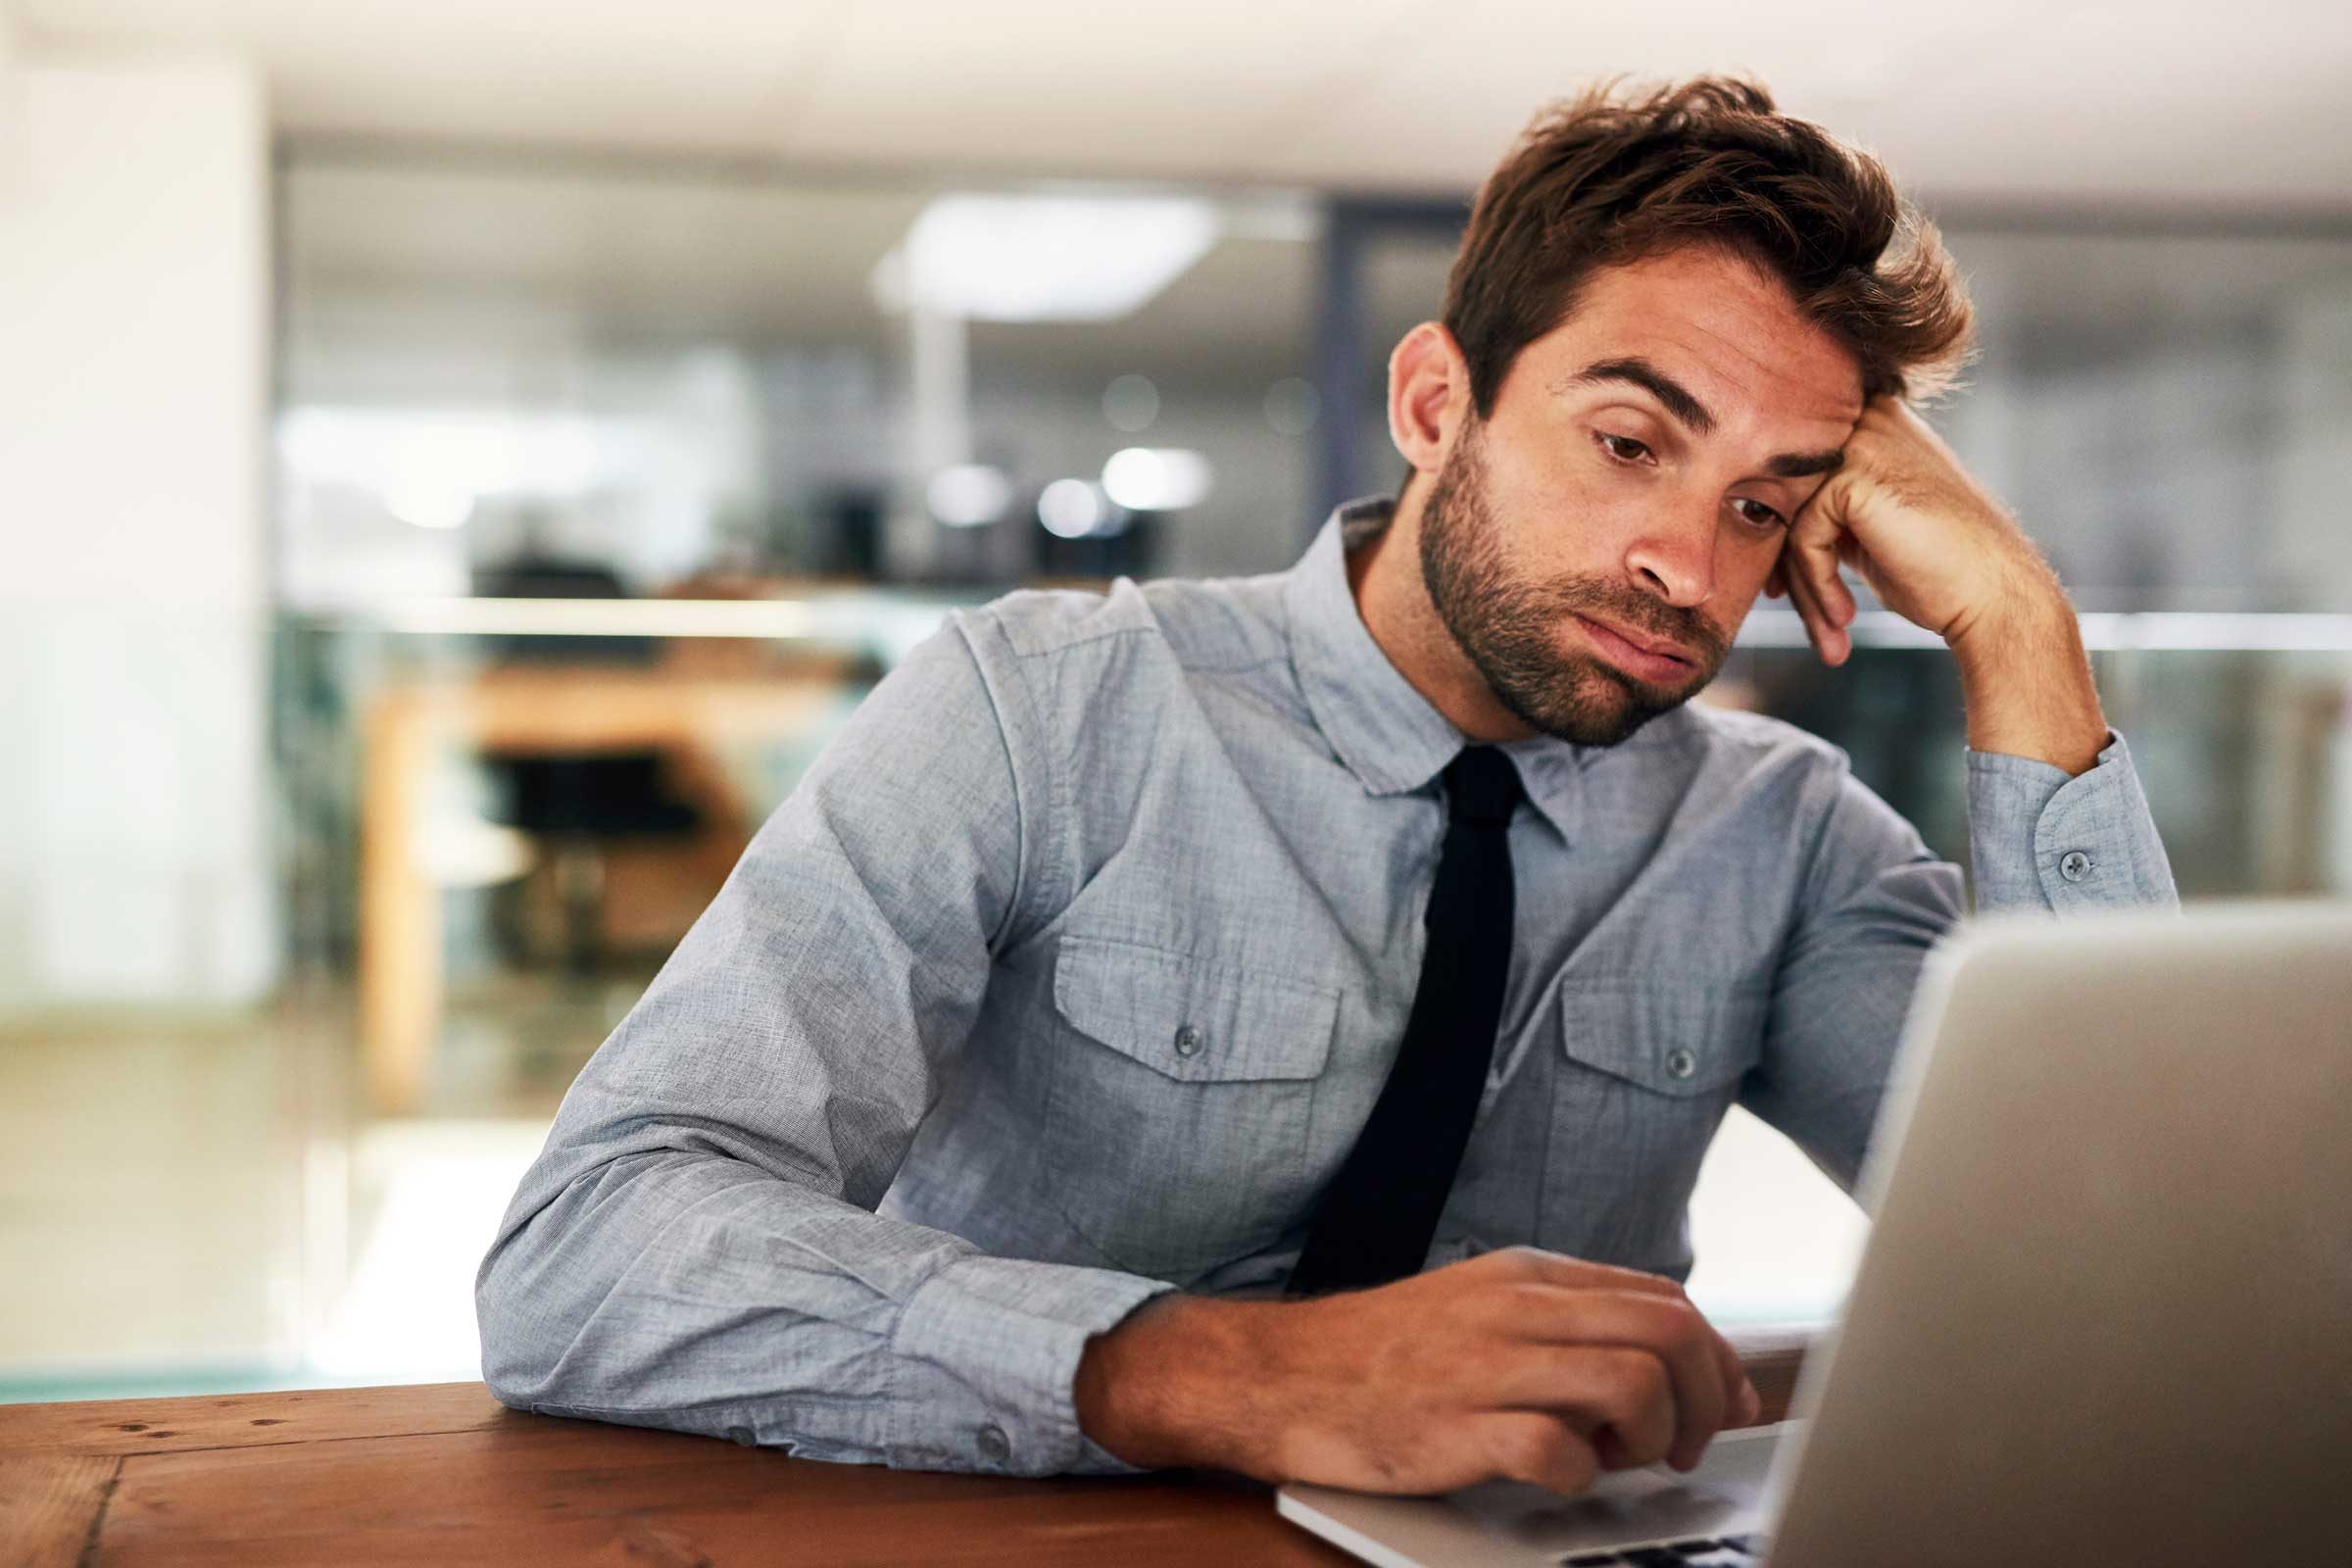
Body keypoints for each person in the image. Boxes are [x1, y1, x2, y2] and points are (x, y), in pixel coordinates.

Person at [476, 76, 2176, 1500]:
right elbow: (592, 1252)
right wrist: (1215, 1372)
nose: (1687, 566)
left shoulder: (1782, 838)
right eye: (1631, 443)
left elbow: (2132, 1280)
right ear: (1439, 403)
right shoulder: (1046, 712)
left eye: (1765, 502)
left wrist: (2020, 627)